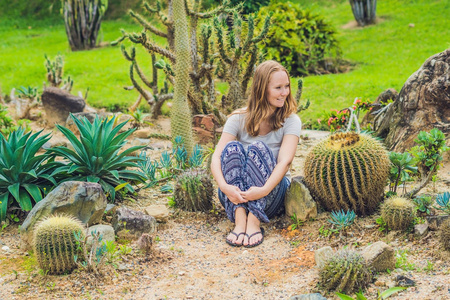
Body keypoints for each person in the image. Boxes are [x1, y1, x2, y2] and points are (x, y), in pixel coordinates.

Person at [210, 60, 302, 248]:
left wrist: (263, 190)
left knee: (258, 149)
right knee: (232, 148)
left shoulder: (291, 120)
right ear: (262, 89)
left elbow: (285, 162)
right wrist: (224, 187)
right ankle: (240, 219)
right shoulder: (238, 118)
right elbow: (217, 157)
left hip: (271, 191)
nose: (285, 92)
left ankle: (254, 221)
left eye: (287, 86)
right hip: (235, 194)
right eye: (278, 87)